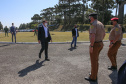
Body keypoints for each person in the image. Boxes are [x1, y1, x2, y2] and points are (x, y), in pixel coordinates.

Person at [85, 13, 105, 82]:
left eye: (89, 17)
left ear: (92, 17)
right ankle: (94, 73)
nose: (89, 18)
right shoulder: (100, 23)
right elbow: (104, 34)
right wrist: (100, 41)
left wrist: (91, 45)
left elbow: (93, 36)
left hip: (95, 45)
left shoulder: (93, 24)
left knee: (94, 61)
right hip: (100, 43)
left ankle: (93, 77)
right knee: (96, 60)